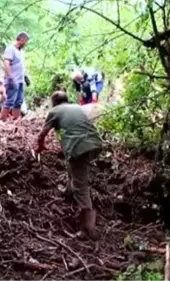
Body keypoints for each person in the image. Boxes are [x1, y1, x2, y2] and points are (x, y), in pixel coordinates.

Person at [35, 91, 103, 239]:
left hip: (79, 147)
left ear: (54, 102)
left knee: (81, 185)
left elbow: (43, 133)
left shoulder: (54, 111)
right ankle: (68, 192)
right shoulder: (77, 107)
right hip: (95, 143)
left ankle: (88, 229)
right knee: (72, 166)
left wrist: (40, 147)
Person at [1, 32, 29, 120]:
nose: (26, 44)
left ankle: (15, 120)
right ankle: (3, 120)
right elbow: (6, 63)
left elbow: (20, 66)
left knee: (19, 101)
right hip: (13, 79)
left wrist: (25, 77)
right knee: (10, 101)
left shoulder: (20, 51)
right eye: (26, 41)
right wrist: (11, 77)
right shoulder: (10, 49)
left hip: (20, 80)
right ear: (21, 40)